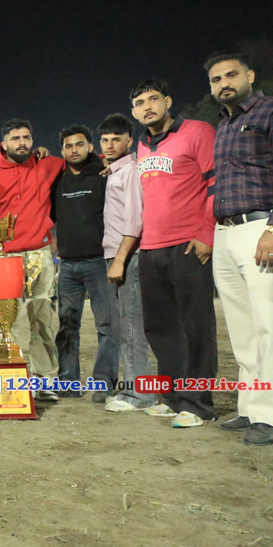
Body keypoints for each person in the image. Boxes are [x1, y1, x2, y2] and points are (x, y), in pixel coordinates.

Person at [130, 78, 218, 427]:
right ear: (134, 112)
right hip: (151, 247)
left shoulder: (197, 131)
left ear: (167, 101)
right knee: (160, 327)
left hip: (188, 244)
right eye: (140, 102)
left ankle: (197, 404)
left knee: (196, 327)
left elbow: (215, 182)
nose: (147, 106)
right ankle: (171, 396)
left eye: (153, 99)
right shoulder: (141, 145)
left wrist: (207, 233)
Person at [205, 50, 273, 445]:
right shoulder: (225, 124)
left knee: (268, 325)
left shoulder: (267, 112)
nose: (223, 83)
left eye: (231, 75)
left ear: (250, 75)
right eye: (216, 79)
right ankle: (250, 408)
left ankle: (269, 415)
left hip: (260, 227)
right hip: (226, 232)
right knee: (242, 329)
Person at [0, 119, 65, 400]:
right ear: (4, 143)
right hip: (5, 255)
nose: (22, 143)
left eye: (27, 138)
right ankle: (13, 379)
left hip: (39, 253)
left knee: (43, 319)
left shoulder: (48, 165)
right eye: (16, 138)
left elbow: (81, 159)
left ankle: (46, 380)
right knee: (6, 323)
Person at [51, 125, 117, 401]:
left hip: (99, 263)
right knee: (67, 327)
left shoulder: (104, 175)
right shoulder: (57, 179)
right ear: (62, 150)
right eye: (68, 146)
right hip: (67, 265)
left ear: (90, 147)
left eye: (79, 144)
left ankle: (103, 384)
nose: (74, 150)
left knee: (107, 326)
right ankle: (68, 383)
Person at [98, 113, 156, 414]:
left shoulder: (131, 171)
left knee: (132, 326)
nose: (109, 145)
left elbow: (135, 220)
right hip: (115, 254)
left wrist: (120, 260)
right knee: (123, 325)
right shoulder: (114, 171)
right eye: (105, 140)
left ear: (129, 141)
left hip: (128, 255)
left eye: (116, 140)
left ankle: (140, 394)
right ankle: (133, 388)